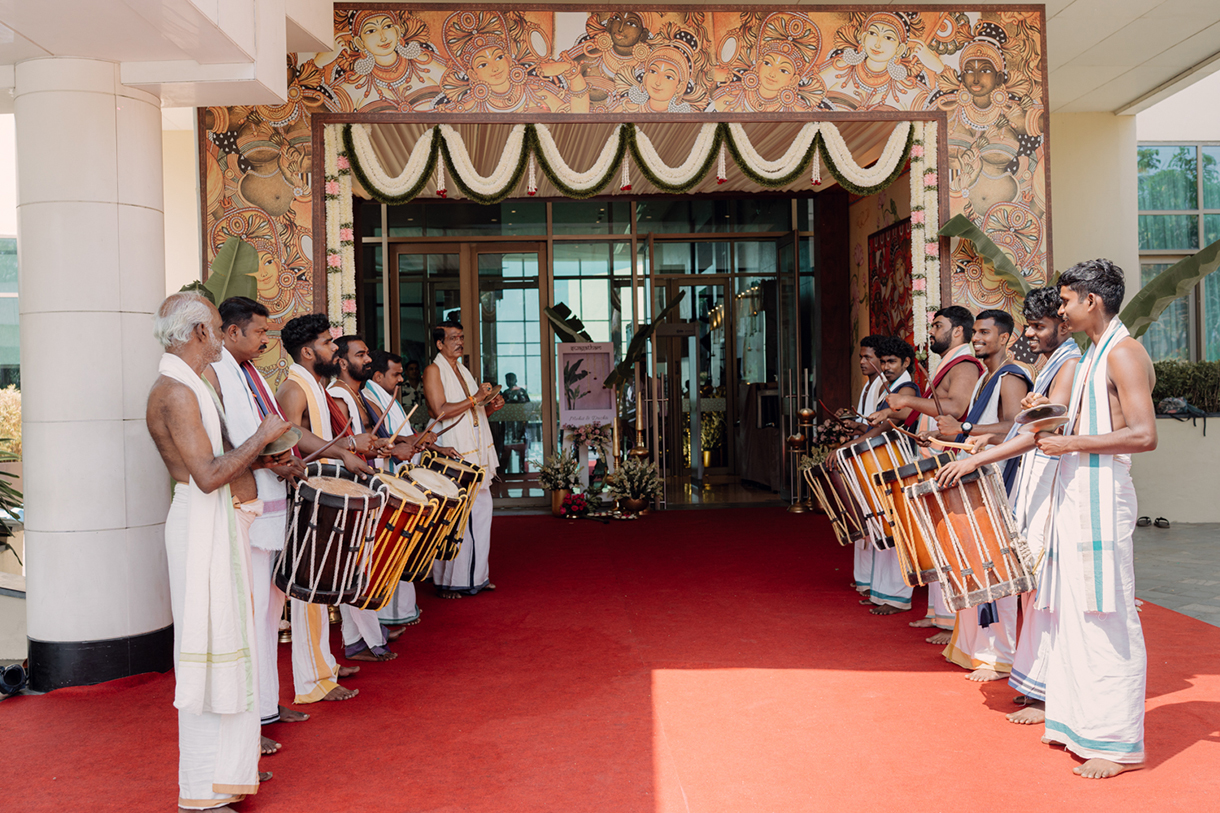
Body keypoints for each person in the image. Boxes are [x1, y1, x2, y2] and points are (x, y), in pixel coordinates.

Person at [146, 293, 291, 810]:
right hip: (201, 526)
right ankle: (201, 792)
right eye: (213, 328)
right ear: (200, 333)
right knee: (206, 655)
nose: (220, 339)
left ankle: (225, 775)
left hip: (218, 526)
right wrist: (260, 437)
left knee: (227, 647)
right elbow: (207, 476)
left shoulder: (192, 384)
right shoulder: (177, 392)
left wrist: (269, 454)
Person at [935, 287, 1080, 723]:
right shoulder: (1048, 363)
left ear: (1066, 322)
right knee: (1033, 589)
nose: (1029, 334)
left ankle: (1046, 687)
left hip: (1049, 482)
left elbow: (1036, 434)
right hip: (1033, 481)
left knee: (1041, 590)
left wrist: (974, 450)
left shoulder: (1067, 363)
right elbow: (1026, 427)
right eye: (1029, 325)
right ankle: (1035, 682)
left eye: (1037, 326)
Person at [1037, 260, 1154, 778]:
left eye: (1066, 301)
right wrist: (1047, 415)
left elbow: (1144, 435)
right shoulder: (1091, 355)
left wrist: (1070, 441)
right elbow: (1083, 420)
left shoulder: (1124, 353)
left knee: (1107, 613)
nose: (1060, 310)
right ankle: (1076, 720)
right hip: (1077, 491)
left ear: (1092, 301)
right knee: (1075, 609)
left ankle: (1116, 741)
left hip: (1103, 495)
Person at [202, 297, 312, 758]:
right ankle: (248, 724)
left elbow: (271, 433)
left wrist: (282, 461)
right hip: (246, 505)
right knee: (248, 618)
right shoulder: (219, 373)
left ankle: (267, 706)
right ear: (230, 332)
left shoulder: (247, 371)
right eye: (259, 332)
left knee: (269, 615)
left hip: (269, 496)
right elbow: (233, 441)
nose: (266, 340)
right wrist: (272, 459)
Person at [869, 305, 984, 643]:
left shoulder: (964, 364)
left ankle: (952, 622)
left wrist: (907, 404)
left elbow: (955, 408)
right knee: (936, 535)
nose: (931, 332)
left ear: (959, 331)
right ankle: (939, 614)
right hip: (934, 452)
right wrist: (924, 431)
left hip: (950, 460)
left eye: (938, 325)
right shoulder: (951, 361)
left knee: (949, 537)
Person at [275, 314, 374, 702]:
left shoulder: (314, 384)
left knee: (321, 589)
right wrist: (344, 451)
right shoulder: (294, 386)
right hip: (307, 496)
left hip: (323, 493)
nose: (334, 348)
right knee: (308, 593)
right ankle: (311, 683)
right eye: (327, 342)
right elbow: (289, 433)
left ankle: (325, 666)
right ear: (307, 351)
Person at [931, 309, 1032, 682]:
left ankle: (999, 655)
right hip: (978, 479)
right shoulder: (986, 376)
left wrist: (966, 427)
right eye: (975, 332)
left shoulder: (1010, 376)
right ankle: (973, 647)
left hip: (999, 481)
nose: (977, 338)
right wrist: (950, 438)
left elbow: (1014, 429)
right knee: (974, 564)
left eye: (985, 332)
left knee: (996, 568)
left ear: (1005, 338)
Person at [327, 335, 404, 662]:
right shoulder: (338, 397)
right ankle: (371, 640)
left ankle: (358, 640)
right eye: (361, 354)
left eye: (367, 353)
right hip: (350, 486)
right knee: (354, 564)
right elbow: (343, 444)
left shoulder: (360, 396)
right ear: (342, 362)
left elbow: (371, 438)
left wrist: (388, 446)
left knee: (361, 563)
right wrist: (377, 448)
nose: (368, 359)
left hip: (369, 483)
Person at [361, 349, 449, 627]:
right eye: (396, 374)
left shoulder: (384, 396)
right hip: (384, 481)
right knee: (391, 542)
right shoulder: (369, 397)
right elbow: (389, 440)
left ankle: (400, 611)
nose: (401, 379)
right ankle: (391, 615)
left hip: (395, 476)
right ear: (377, 376)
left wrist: (429, 442)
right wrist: (420, 437)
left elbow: (401, 437)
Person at [423, 320, 506, 597]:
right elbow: (440, 411)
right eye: (453, 338)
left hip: (475, 453)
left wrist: (489, 406)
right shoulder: (434, 369)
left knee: (481, 516)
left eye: (461, 336)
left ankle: (476, 576)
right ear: (439, 343)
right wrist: (475, 399)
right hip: (453, 454)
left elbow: (471, 417)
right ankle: (452, 581)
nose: (459, 341)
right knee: (457, 519)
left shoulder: (462, 370)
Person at [859, 336, 921, 616]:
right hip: (889, 460)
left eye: (891, 361)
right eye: (883, 361)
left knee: (897, 529)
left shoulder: (907, 387)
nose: (885, 366)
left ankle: (897, 596)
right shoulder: (891, 386)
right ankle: (882, 591)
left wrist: (856, 443)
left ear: (906, 362)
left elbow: (897, 419)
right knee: (885, 527)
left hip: (900, 459)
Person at [848, 335, 888, 599]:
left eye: (868, 357)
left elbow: (881, 426)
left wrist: (859, 433)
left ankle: (875, 581)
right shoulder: (869, 385)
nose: (862, 362)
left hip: (877, 455)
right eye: (861, 357)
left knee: (876, 518)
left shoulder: (887, 386)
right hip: (863, 451)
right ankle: (864, 578)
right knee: (864, 516)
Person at [401, 359, 428, 432]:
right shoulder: (401, 389)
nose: (414, 371)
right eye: (411, 369)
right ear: (406, 372)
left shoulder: (426, 387)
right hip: (408, 427)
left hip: (426, 426)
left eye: (416, 369)